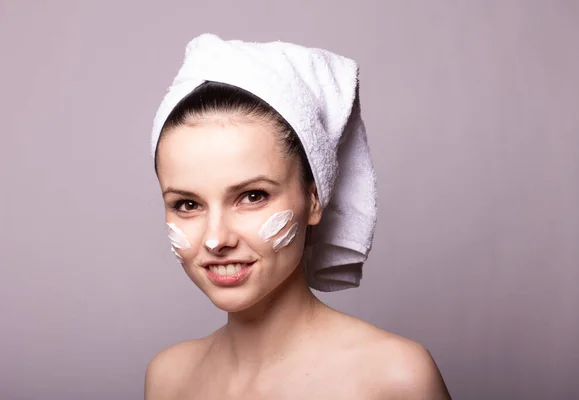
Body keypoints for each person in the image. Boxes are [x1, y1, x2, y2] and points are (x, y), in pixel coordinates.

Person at [145, 34, 451, 399]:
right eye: (187, 204)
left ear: (314, 197)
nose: (216, 239)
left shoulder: (396, 378)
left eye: (252, 196)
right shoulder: (168, 379)